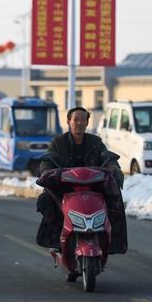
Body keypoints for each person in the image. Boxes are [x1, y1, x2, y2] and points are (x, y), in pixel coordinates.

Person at [36, 107, 127, 252]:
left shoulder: (96, 142)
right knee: (45, 201)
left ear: (87, 122)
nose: (79, 123)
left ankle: (111, 240)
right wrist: (46, 171)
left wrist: (114, 169)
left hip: (93, 188)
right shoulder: (58, 142)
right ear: (68, 121)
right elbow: (46, 162)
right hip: (65, 188)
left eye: (82, 120)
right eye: (76, 119)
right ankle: (55, 238)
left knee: (114, 201)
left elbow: (108, 158)